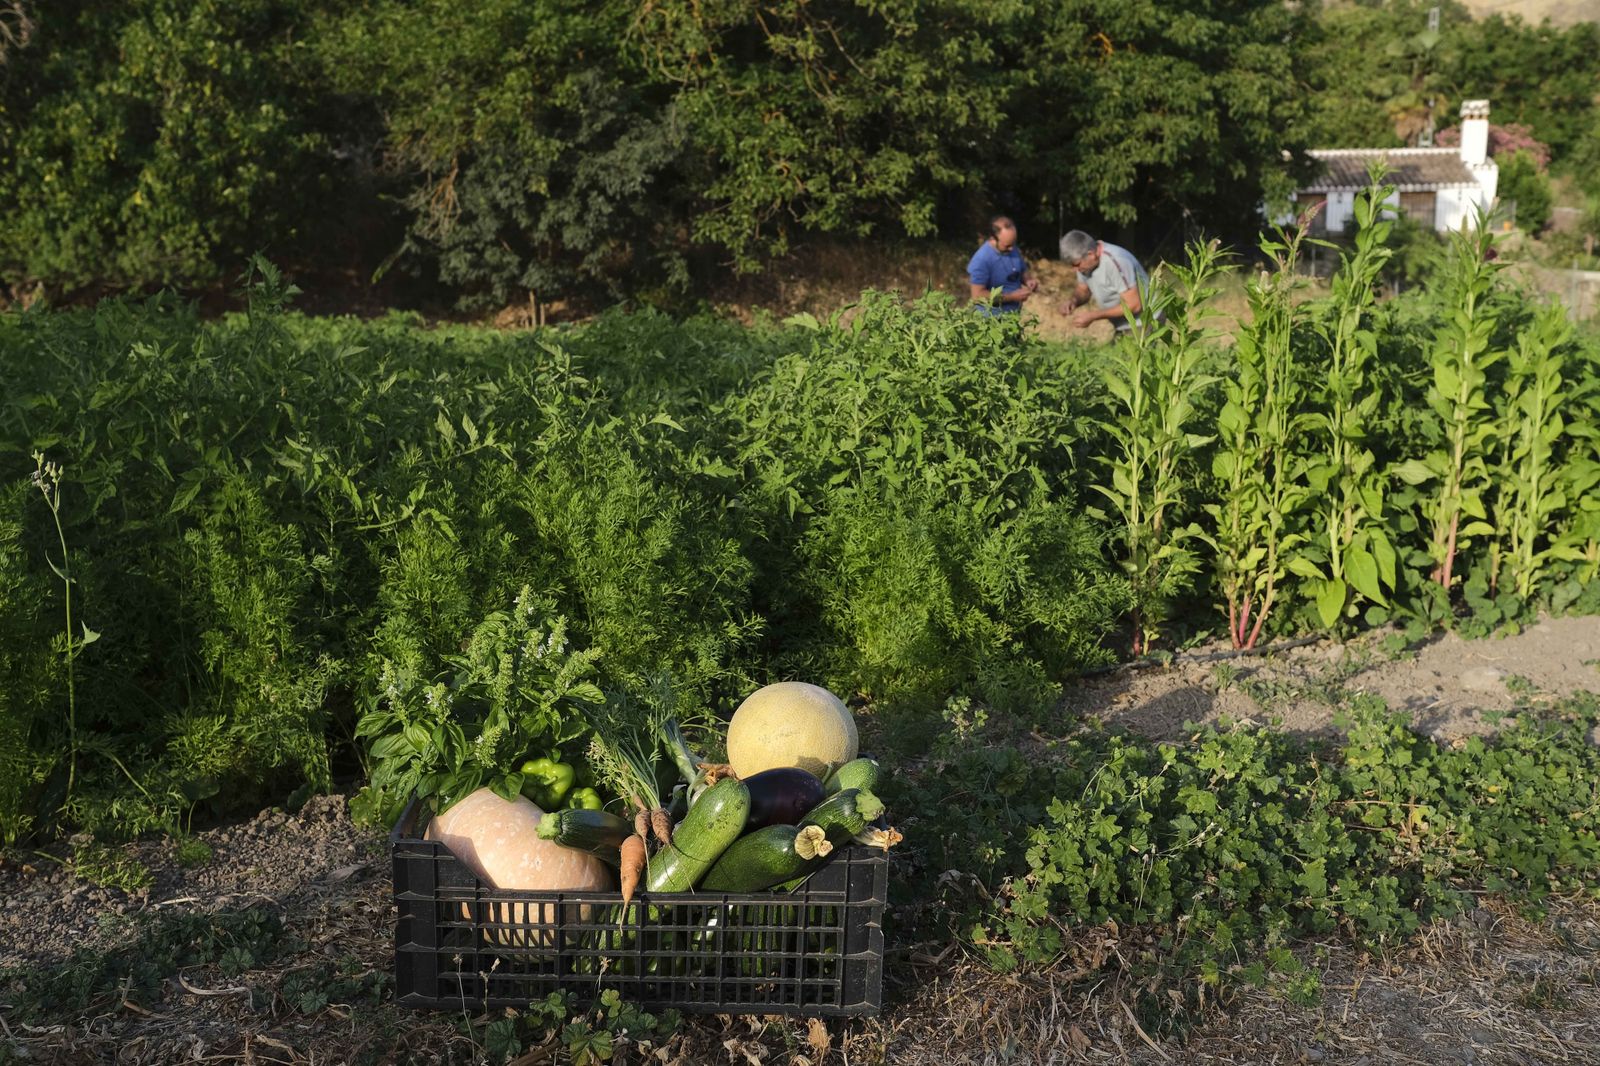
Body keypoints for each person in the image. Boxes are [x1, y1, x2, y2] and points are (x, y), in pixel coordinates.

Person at [1057, 230, 1153, 333]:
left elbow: (1134, 305)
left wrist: (1094, 316)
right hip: (1125, 323)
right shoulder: (1084, 264)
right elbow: (1083, 289)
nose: (1075, 269)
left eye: (1077, 264)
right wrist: (1073, 301)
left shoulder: (1116, 261)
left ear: (1091, 254)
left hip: (1144, 320)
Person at [967, 215, 1038, 314]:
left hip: (1012, 315)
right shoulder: (981, 259)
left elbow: (1022, 270)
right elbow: (977, 296)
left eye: (1013, 243)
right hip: (991, 320)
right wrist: (1012, 296)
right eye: (1007, 245)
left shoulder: (1013, 248)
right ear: (993, 238)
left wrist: (1028, 280)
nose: (1011, 249)